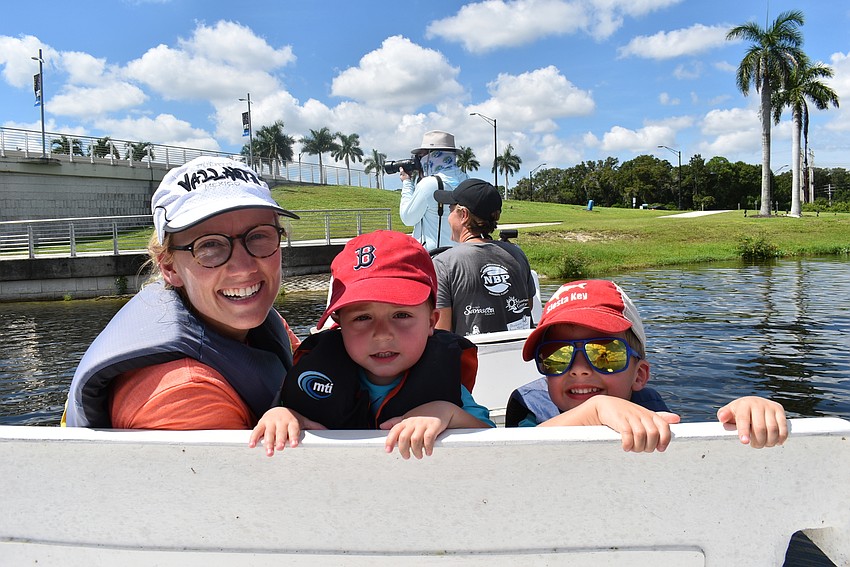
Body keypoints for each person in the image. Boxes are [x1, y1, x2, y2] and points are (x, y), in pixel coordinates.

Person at [63, 156, 301, 429]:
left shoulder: (259, 322)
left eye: (259, 236)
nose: (243, 268)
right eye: (209, 246)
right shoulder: (185, 397)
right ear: (169, 266)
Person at [249, 230, 494, 459]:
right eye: (362, 318)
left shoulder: (446, 388)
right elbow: (283, 415)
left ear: (432, 322)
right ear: (339, 325)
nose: (382, 335)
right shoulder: (313, 374)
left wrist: (448, 414)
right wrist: (281, 415)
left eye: (401, 315)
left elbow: (494, 440)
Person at [506, 279, 788, 453]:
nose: (579, 369)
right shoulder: (532, 410)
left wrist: (746, 418)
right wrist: (595, 412)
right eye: (557, 356)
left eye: (605, 353)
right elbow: (509, 457)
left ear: (638, 376)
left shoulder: (650, 408)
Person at [431, 178, 535, 335]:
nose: (449, 217)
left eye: (451, 210)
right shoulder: (517, 254)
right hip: (519, 356)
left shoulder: (443, 264)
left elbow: (441, 330)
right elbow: (528, 305)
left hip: (472, 358)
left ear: (464, 215)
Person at [398, 130, 468, 252]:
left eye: (421, 155)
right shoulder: (466, 179)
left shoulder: (429, 184)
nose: (419, 160)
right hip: (461, 254)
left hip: (435, 258)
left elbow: (408, 218)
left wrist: (407, 183)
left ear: (432, 155)